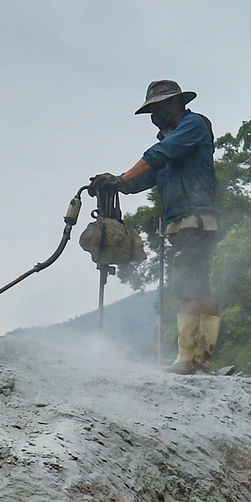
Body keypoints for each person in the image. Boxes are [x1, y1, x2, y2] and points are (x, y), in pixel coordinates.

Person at [94, 80, 220, 374]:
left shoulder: (193, 126)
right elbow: (144, 178)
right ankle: (202, 358)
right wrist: (115, 183)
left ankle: (188, 358)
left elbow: (158, 155)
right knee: (201, 287)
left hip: (194, 220)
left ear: (174, 104)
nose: (155, 114)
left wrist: (123, 178)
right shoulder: (172, 138)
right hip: (187, 222)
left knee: (188, 286)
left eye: (158, 107)